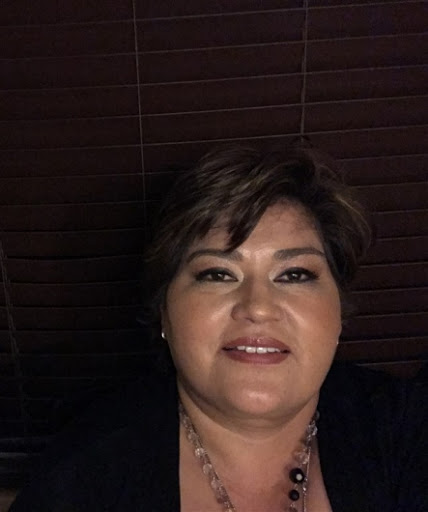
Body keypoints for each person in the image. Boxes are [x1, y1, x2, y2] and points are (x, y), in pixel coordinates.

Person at [10, 145, 427, 512]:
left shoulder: (406, 431)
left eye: (295, 274)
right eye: (217, 274)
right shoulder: (81, 478)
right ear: (163, 313)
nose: (258, 307)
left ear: (339, 312)